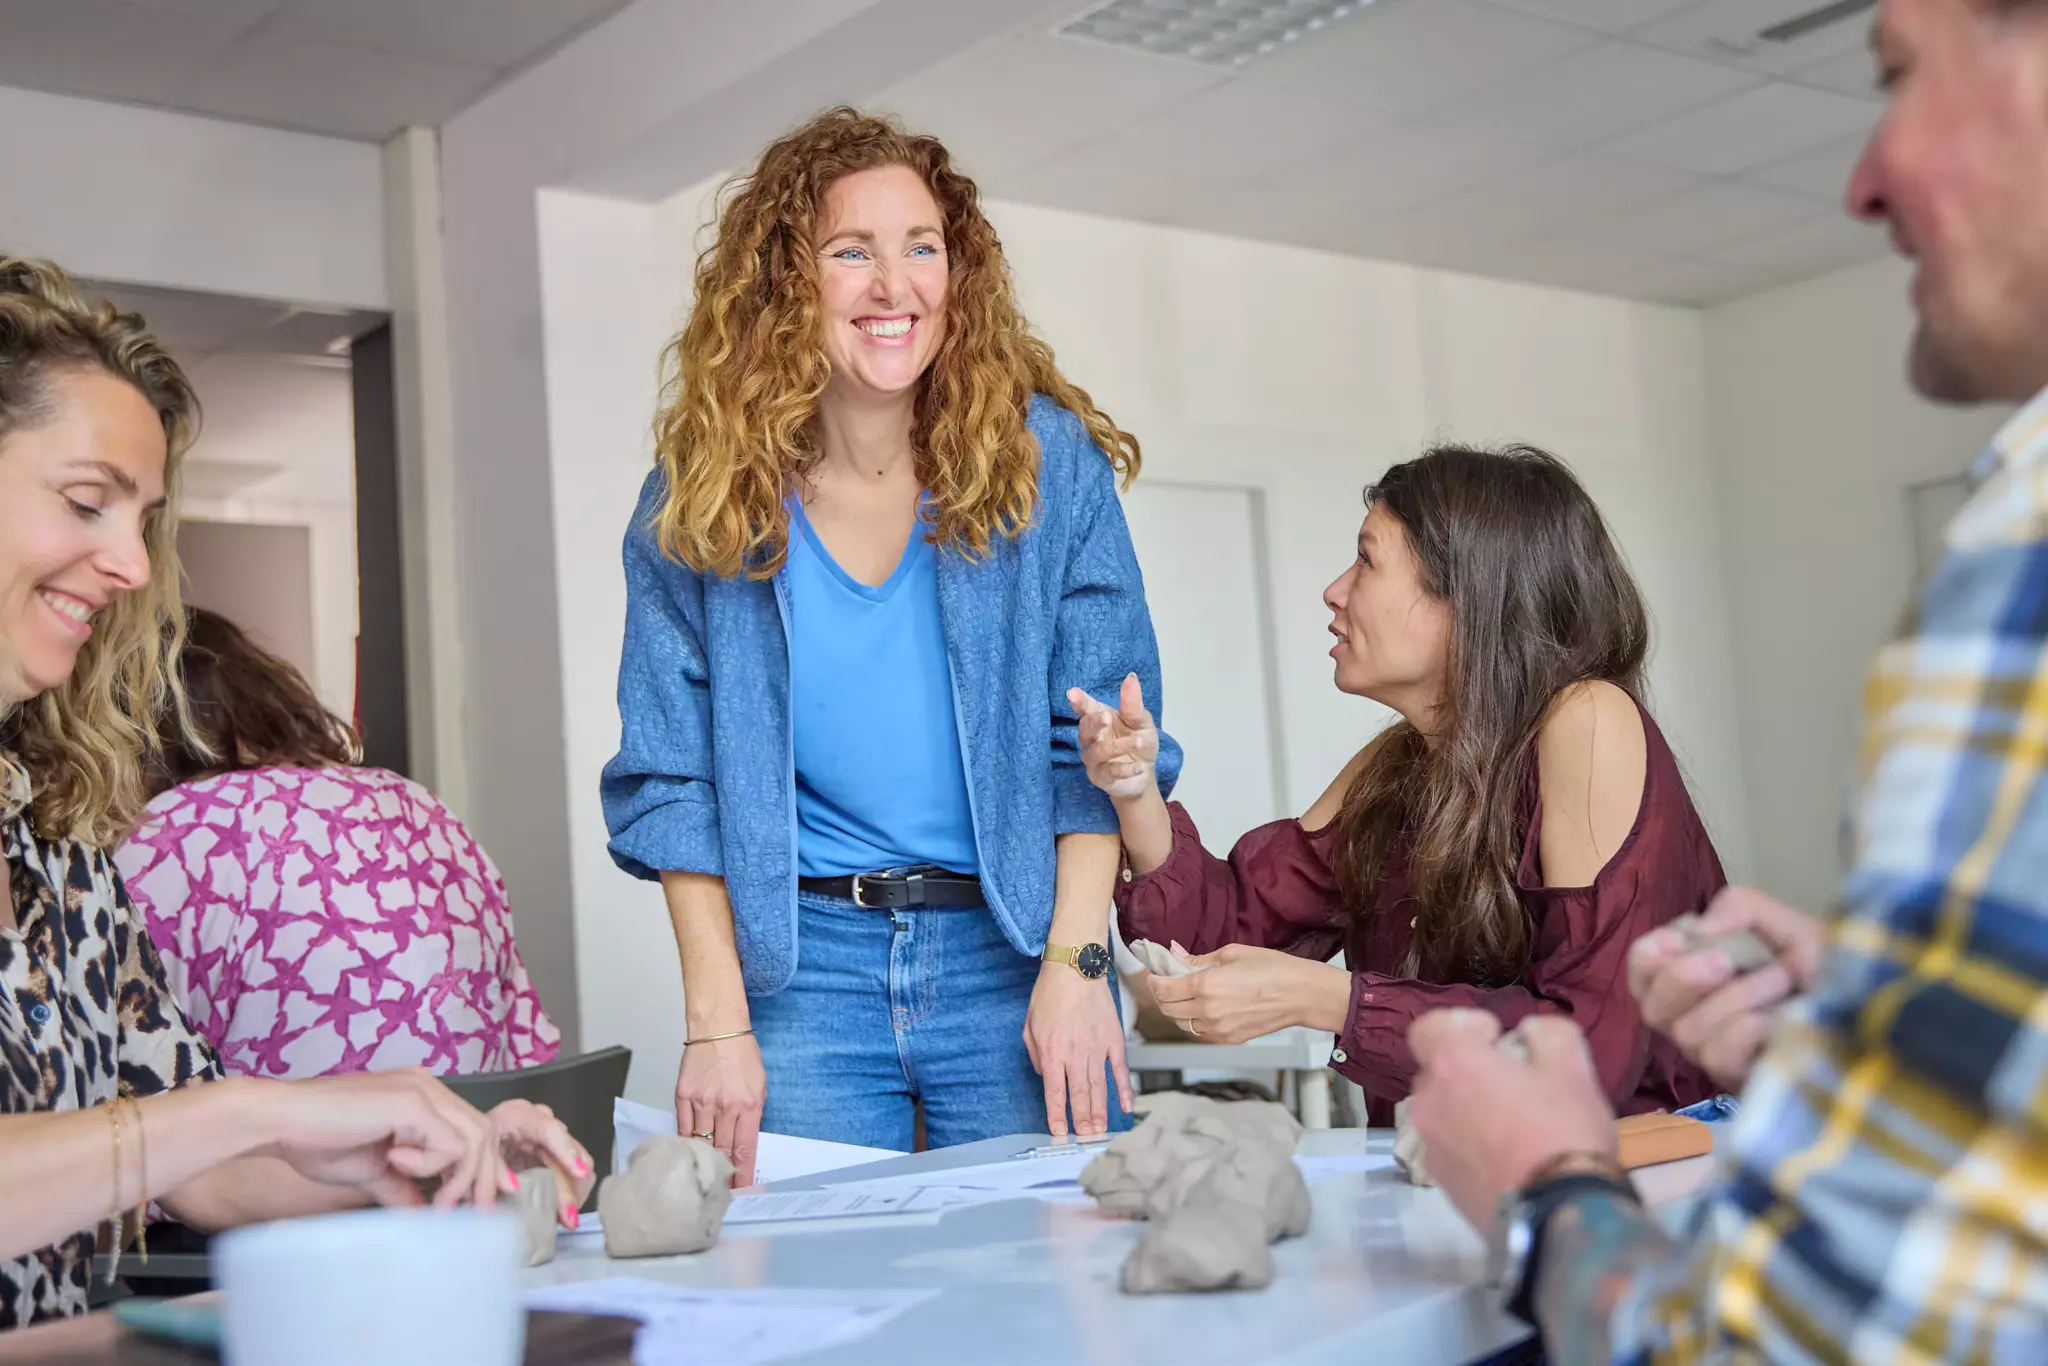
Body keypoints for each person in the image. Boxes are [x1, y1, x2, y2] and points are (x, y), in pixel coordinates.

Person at [1405, 1, 2048, 1359]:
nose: (1864, 177)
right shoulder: (1397, 770)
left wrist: (1544, 1197)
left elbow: (1797, 1341)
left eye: (1899, 76)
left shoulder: (2020, 556)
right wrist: (1887, 1028)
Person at [0, 255, 591, 1329]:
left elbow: (196, 1170)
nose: (133, 565)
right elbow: (189, 1131)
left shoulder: (61, 842)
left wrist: (414, 1155)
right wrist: (249, 1107)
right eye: (88, 502)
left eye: (143, 520)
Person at [601, 107, 1178, 1180]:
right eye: (850, 252)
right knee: (812, 1275)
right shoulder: (699, 498)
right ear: (785, 281)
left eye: (920, 247)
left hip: (1016, 951)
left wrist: (1077, 964)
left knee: (1060, 1261)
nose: (893, 285)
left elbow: (1091, 748)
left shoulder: (1047, 463)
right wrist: (716, 1023)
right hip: (802, 973)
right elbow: (673, 783)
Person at [1075, 443, 1720, 1123]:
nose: (1334, 590)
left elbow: (1589, 1051)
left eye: (1367, 560)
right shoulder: (1397, 763)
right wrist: (1135, 792)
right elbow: (1219, 936)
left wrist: (1328, 999)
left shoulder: (1587, 719)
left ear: (1466, 594)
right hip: (1469, 1160)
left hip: (1640, 1164)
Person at [117, 607, 561, 1079]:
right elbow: (527, 1051)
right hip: (474, 1122)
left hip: (299, 1129)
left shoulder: (167, 835)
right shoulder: (415, 801)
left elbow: (116, 1074)